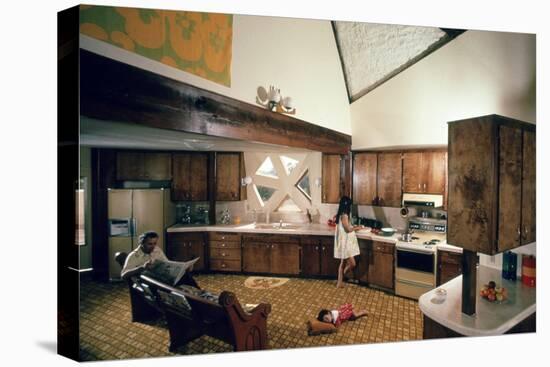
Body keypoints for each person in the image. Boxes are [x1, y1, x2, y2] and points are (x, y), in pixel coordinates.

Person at [121, 231, 199, 288]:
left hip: (162, 279)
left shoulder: (157, 250)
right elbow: (123, 275)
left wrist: (184, 268)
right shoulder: (134, 255)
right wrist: (142, 268)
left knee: (186, 276)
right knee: (180, 285)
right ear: (142, 243)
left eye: (155, 243)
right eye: (150, 244)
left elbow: (167, 264)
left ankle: (200, 298)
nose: (153, 246)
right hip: (149, 283)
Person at [334, 196, 364, 288]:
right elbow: (347, 229)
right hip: (345, 243)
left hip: (344, 242)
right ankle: (342, 277)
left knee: (342, 263)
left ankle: (339, 283)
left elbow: (345, 227)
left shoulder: (341, 214)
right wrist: (358, 227)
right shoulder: (344, 215)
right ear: (347, 205)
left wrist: (353, 226)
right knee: (352, 263)